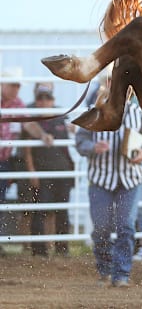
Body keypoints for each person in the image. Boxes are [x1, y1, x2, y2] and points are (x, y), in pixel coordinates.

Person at [75, 81, 142, 287]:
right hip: (101, 179)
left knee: (126, 226)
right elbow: (81, 142)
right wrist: (93, 147)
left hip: (129, 178)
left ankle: (121, 274)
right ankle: (105, 269)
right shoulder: (94, 112)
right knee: (101, 228)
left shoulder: (138, 113)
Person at [0, 68, 54, 246]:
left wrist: (42, 135)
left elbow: (28, 124)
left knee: (1, 199)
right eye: (13, 85)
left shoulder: (17, 104)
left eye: (18, 86)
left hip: (5, 161)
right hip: (5, 161)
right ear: (3, 85)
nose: (16, 89)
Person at [21, 83, 75, 257]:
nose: (44, 101)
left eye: (48, 97)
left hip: (63, 171)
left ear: (52, 100)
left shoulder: (61, 116)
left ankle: (62, 248)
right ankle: (39, 250)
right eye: (41, 98)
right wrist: (32, 172)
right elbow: (27, 150)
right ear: (36, 100)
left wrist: (75, 129)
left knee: (62, 211)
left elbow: (72, 134)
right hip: (43, 173)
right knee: (40, 210)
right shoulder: (31, 116)